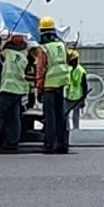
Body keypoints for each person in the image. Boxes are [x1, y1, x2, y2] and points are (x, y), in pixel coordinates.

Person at [34, 18, 69, 154]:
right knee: (61, 116)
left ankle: (49, 144)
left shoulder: (43, 49)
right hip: (61, 84)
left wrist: (39, 88)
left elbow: (40, 69)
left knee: (50, 117)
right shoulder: (61, 45)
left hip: (49, 86)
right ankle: (62, 143)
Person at [65, 50, 88, 134]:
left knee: (76, 114)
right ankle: (66, 128)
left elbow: (84, 86)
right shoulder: (67, 69)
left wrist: (83, 99)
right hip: (67, 96)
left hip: (77, 96)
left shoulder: (81, 71)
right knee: (65, 115)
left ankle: (76, 129)